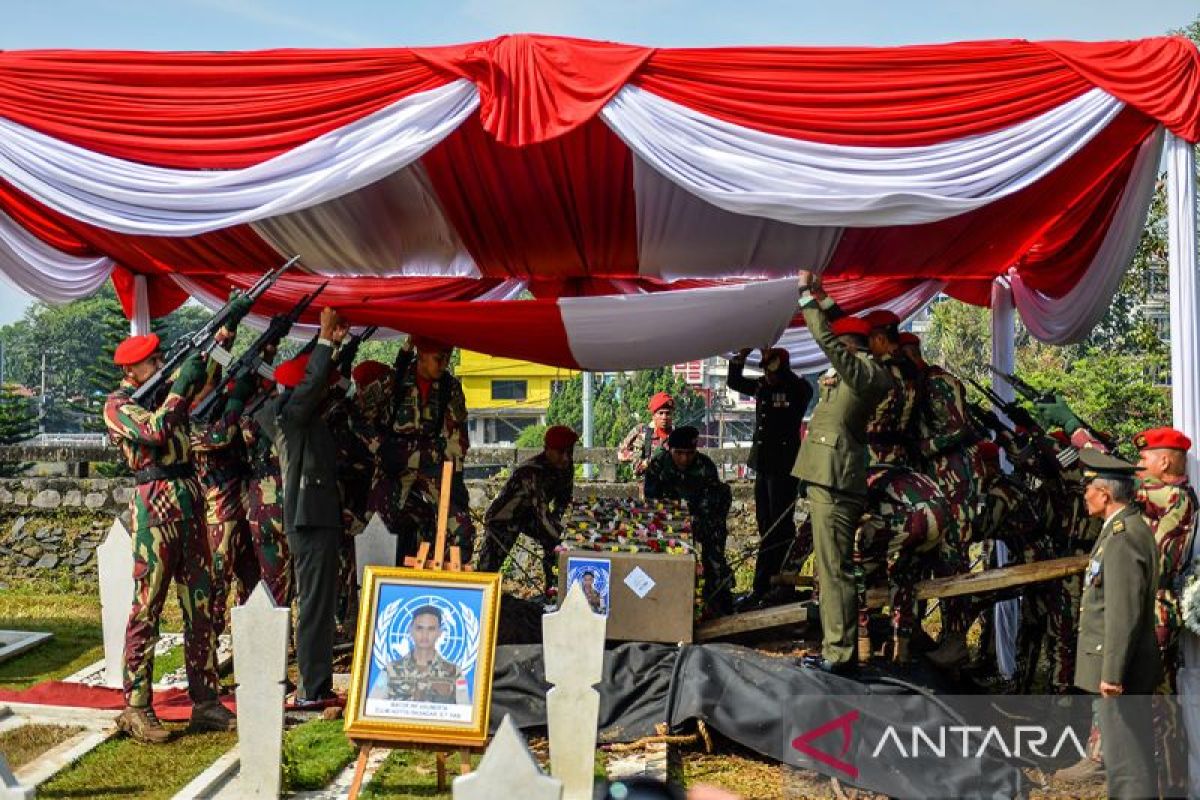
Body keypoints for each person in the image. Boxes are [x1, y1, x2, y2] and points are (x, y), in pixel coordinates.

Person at [104, 327, 244, 742]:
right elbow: (156, 432)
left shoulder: (166, 392)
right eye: (152, 360)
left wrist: (226, 336)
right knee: (147, 609)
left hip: (190, 506)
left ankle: (206, 702)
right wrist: (178, 389)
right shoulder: (118, 405)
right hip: (155, 511)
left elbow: (205, 384)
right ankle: (136, 706)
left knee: (202, 605)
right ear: (132, 368)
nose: (160, 364)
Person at [793, 272, 893, 675]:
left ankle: (840, 652)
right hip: (827, 478)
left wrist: (805, 300)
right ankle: (837, 647)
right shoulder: (861, 369)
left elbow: (830, 340)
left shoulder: (869, 373)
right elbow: (840, 331)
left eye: (846, 344)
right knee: (831, 569)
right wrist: (822, 296)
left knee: (835, 570)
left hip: (836, 481)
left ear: (854, 347)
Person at [1074, 448, 1161, 800]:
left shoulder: (1123, 535)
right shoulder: (1120, 529)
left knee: (1128, 763)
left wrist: (1112, 673)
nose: (1084, 495)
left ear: (1105, 494)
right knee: (1126, 757)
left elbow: (1122, 611)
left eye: (1087, 489)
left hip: (1120, 671)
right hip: (1120, 666)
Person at [275, 306, 350, 708]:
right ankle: (310, 687)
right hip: (308, 521)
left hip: (319, 519)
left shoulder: (308, 419)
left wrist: (337, 347)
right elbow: (312, 385)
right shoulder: (291, 415)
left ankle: (316, 685)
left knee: (320, 608)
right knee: (314, 607)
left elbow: (327, 381)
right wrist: (323, 340)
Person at [373, 336, 474, 565]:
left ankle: (449, 590)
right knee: (376, 525)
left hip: (432, 462)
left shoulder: (450, 387)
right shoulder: (395, 380)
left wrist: (454, 476)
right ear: (421, 354)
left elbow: (457, 435)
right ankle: (372, 590)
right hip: (395, 464)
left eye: (447, 358)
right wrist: (379, 449)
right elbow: (363, 418)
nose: (443, 364)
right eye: (438, 358)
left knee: (461, 527)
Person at [727, 347, 811, 609]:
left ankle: (774, 585)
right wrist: (740, 359)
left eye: (772, 370)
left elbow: (804, 390)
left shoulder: (796, 389)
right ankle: (764, 586)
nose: (767, 375)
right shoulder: (763, 386)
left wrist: (780, 366)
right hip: (763, 464)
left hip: (784, 467)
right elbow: (735, 382)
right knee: (766, 526)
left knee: (780, 528)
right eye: (764, 369)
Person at [191, 370, 260, 638]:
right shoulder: (190, 421)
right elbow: (220, 437)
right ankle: (209, 642)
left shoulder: (223, 414)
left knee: (251, 578)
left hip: (244, 505)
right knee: (218, 582)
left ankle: (248, 638)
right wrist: (234, 402)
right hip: (219, 513)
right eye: (209, 384)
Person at [644, 426, 735, 615]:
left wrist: (698, 524)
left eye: (689, 453)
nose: (684, 459)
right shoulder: (658, 465)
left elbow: (713, 505)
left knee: (715, 558)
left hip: (703, 520)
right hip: (668, 523)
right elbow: (651, 502)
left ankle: (717, 600)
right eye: (679, 453)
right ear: (670, 450)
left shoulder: (705, 466)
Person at [478, 425, 577, 590]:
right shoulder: (531, 472)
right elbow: (542, 513)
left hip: (527, 516)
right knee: (487, 571)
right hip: (503, 520)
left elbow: (563, 500)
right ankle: (479, 599)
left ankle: (553, 589)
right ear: (547, 450)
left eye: (570, 451)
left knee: (555, 547)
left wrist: (562, 531)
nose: (566, 458)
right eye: (561, 452)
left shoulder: (566, 467)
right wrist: (562, 537)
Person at [370, 605, 468, 705]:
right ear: (410, 630)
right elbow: (373, 707)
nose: (425, 634)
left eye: (431, 629)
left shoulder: (454, 673)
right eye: (419, 628)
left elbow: (464, 712)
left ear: (439, 633)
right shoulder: (390, 670)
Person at [861, 310, 919, 467]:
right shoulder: (909, 368)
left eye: (869, 341)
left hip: (873, 455)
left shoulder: (879, 370)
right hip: (900, 453)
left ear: (880, 339)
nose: (868, 347)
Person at [618, 392, 675, 476]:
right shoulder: (642, 431)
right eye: (661, 413)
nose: (664, 417)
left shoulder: (678, 435)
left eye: (668, 413)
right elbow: (621, 453)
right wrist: (644, 460)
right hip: (647, 483)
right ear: (654, 415)